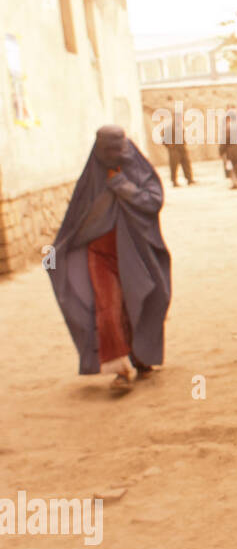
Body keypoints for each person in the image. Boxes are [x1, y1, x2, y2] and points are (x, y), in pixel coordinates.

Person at [48, 125, 170, 392]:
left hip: (136, 253)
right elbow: (76, 219)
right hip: (99, 254)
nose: (114, 155)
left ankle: (142, 358)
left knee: (139, 303)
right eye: (108, 151)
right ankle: (120, 370)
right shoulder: (91, 177)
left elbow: (153, 202)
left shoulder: (137, 168)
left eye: (118, 149)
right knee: (108, 308)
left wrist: (121, 185)